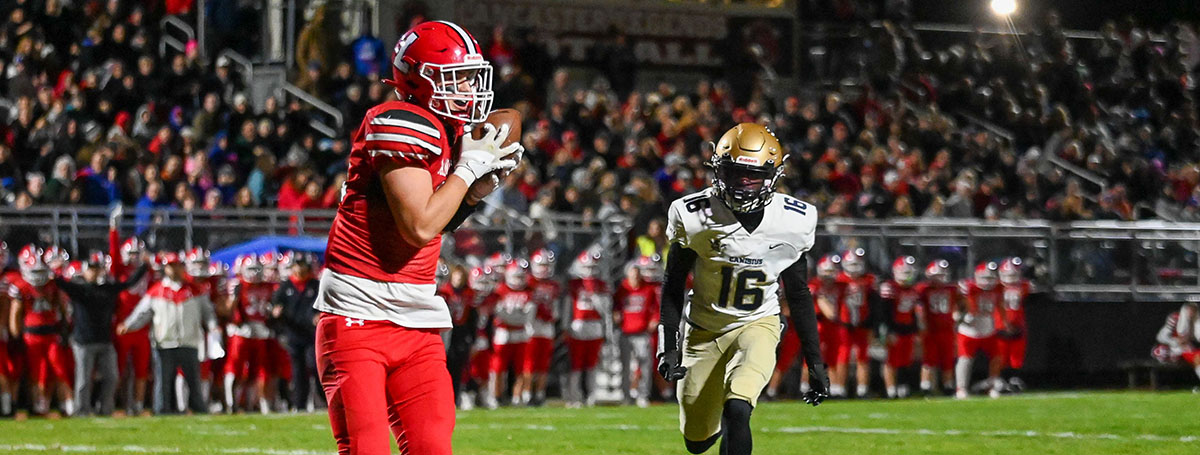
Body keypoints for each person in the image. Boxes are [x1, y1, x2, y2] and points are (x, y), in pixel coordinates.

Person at [313, 20, 520, 455]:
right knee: (367, 448)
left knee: (432, 447)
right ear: (420, 78)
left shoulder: (446, 130)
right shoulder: (398, 120)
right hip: (358, 316)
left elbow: (436, 222)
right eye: (457, 77)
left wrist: (473, 194)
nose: (469, 88)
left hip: (416, 316)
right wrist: (466, 172)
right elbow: (420, 226)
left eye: (470, 76)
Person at [657, 123, 828, 455]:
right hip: (704, 329)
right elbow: (673, 283)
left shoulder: (793, 220)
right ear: (719, 170)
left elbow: (798, 292)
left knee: (739, 407)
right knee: (697, 441)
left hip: (758, 324)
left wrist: (816, 361)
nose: (744, 185)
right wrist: (668, 346)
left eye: (754, 176)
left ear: (773, 175)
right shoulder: (692, 215)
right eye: (735, 174)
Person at [117, 252, 218, 414]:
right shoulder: (157, 291)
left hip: (189, 341)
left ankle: (199, 408)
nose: (175, 270)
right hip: (164, 342)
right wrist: (129, 325)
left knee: (194, 380)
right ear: (166, 268)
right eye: (171, 266)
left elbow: (208, 312)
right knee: (162, 381)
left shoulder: (194, 290)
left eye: (177, 266)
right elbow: (142, 313)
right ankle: (161, 410)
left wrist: (213, 326)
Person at [53, 253, 147, 416]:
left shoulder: (108, 289)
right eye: (91, 269)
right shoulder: (79, 289)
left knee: (112, 377)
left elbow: (129, 283)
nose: (95, 272)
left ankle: (105, 409)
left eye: (97, 269)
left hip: (105, 341)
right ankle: (81, 410)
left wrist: (144, 266)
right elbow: (60, 283)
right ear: (85, 271)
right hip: (83, 341)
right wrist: (56, 270)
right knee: (83, 379)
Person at [8, 246, 75, 417]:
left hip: (51, 334)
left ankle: (68, 404)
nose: (38, 276)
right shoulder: (21, 286)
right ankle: (39, 405)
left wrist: (65, 328)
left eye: (40, 271)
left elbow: (62, 307)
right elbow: (15, 314)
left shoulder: (53, 284)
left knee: (59, 369)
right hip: (31, 335)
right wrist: (15, 336)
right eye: (35, 271)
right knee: (36, 373)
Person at [222, 254, 275, 414]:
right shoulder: (238, 284)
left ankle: (254, 404)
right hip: (241, 330)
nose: (254, 273)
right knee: (235, 368)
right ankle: (231, 403)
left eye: (257, 269)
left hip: (261, 331)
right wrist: (234, 297)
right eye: (251, 269)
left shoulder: (268, 286)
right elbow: (227, 311)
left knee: (259, 370)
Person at [482, 260, 535, 408]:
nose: (519, 280)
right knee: (498, 367)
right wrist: (516, 318)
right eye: (516, 276)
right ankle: (495, 396)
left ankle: (517, 397)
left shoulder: (528, 291)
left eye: (521, 276)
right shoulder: (500, 290)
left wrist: (513, 318)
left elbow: (528, 316)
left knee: (520, 367)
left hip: (521, 332)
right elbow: (498, 314)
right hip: (503, 333)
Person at [271, 253, 320, 412]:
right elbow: (275, 306)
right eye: (297, 265)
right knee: (297, 371)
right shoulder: (285, 286)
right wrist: (276, 312)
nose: (300, 268)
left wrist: (318, 316)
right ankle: (300, 404)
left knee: (314, 366)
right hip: (293, 333)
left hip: (311, 333)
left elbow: (322, 305)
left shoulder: (315, 285)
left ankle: (321, 399)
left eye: (302, 265)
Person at [564, 250, 611, 408]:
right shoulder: (574, 284)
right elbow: (567, 307)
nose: (590, 270)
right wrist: (566, 326)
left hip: (595, 326)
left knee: (591, 365)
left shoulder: (602, 285)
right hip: (578, 326)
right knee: (576, 364)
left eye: (593, 266)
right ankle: (574, 396)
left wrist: (596, 296)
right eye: (588, 266)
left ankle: (591, 395)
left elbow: (606, 310)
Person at [613, 256, 659, 407]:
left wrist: (654, 320)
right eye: (633, 273)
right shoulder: (622, 289)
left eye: (637, 273)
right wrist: (616, 315)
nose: (635, 276)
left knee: (645, 365)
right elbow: (615, 307)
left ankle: (643, 395)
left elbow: (656, 308)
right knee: (625, 366)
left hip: (642, 332)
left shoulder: (648, 289)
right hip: (625, 331)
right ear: (628, 274)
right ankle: (626, 395)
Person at [955, 261, 1006, 399]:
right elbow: (956, 301)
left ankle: (992, 386)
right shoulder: (968, 287)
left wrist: (1004, 322)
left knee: (996, 358)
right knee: (965, 359)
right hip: (968, 329)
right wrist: (959, 314)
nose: (988, 281)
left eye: (991, 278)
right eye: (985, 278)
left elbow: (1000, 305)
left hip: (988, 327)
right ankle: (961, 388)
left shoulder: (998, 288)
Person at [835, 247, 879, 398]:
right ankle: (839, 389)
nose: (855, 268)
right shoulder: (839, 279)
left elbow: (874, 303)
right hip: (844, 323)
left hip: (863, 322)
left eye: (857, 264)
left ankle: (862, 389)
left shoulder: (868, 280)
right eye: (852, 264)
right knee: (843, 355)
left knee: (862, 356)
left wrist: (872, 324)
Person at [879, 256, 921, 399]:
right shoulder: (889, 287)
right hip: (894, 329)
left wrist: (915, 329)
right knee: (891, 360)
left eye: (909, 272)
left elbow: (914, 312)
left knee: (905, 360)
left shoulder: (913, 290)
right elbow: (884, 312)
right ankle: (890, 389)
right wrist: (888, 330)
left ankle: (903, 387)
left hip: (907, 328)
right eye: (904, 271)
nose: (906, 275)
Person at [916, 259, 959, 396]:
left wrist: (957, 315)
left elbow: (959, 303)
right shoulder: (923, 289)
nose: (941, 278)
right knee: (929, 359)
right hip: (930, 329)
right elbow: (918, 306)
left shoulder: (952, 289)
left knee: (947, 359)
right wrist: (921, 324)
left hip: (947, 328)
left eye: (942, 275)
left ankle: (948, 385)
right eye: (938, 275)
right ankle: (926, 385)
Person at [438, 264, 478, 410]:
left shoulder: (468, 294)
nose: (458, 279)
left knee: (457, 369)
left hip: (460, 333)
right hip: (444, 332)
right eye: (456, 276)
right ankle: (441, 399)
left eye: (461, 277)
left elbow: (473, 317)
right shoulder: (444, 292)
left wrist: (472, 338)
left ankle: (454, 398)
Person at [526, 248, 561, 406]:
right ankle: (526, 394)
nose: (544, 268)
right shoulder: (528, 282)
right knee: (528, 364)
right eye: (542, 265)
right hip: (530, 327)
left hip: (546, 327)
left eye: (547, 265)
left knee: (543, 365)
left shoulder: (554, 285)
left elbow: (556, 308)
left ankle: (539, 393)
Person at [997, 257, 1031, 392]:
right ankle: (1001, 380)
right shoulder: (996, 287)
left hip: (1018, 324)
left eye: (1015, 274)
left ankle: (1014, 379)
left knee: (1016, 356)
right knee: (1001, 356)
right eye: (1010, 274)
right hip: (1000, 325)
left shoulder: (1023, 286)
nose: (1012, 277)